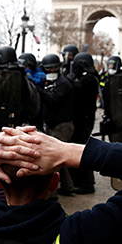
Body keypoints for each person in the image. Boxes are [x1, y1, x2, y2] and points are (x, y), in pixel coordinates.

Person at [38, 53, 75, 196]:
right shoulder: (50, 82)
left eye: (54, 68)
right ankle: (68, 187)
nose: (52, 70)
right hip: (53, 125)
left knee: (53, 158)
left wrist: (39, 90)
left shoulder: (63, 83)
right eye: (49, 68)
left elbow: (53, 99)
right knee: (60, 158)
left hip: (62, 126)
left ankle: (50, 194)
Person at [66, 52, 99, 194]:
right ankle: (79, 181)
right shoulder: (87, 78)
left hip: (83, 121)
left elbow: (76, 88)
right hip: (82, 119)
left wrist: (71, 76)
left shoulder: (89, 79)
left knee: (82, 151)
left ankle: (86, 184)